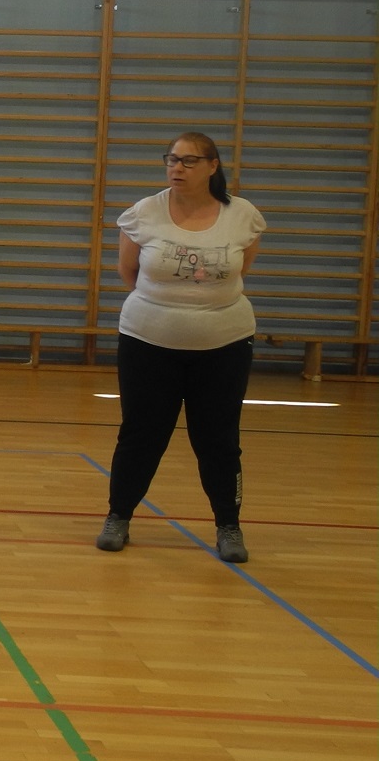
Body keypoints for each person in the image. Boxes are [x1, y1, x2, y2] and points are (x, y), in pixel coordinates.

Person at [96, 133, 265, 563]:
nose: (177, 168)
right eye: (172, 159)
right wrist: (170, 309)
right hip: (147, 343)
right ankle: (118, 517)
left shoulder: (243, 215)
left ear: (213, 166)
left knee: (218, 439)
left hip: (225, 345)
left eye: (189, 161)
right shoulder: (143, 213)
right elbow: (128, 272)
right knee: (141, 434)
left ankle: (228, 525)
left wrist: (201, 309)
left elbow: (240, 270)